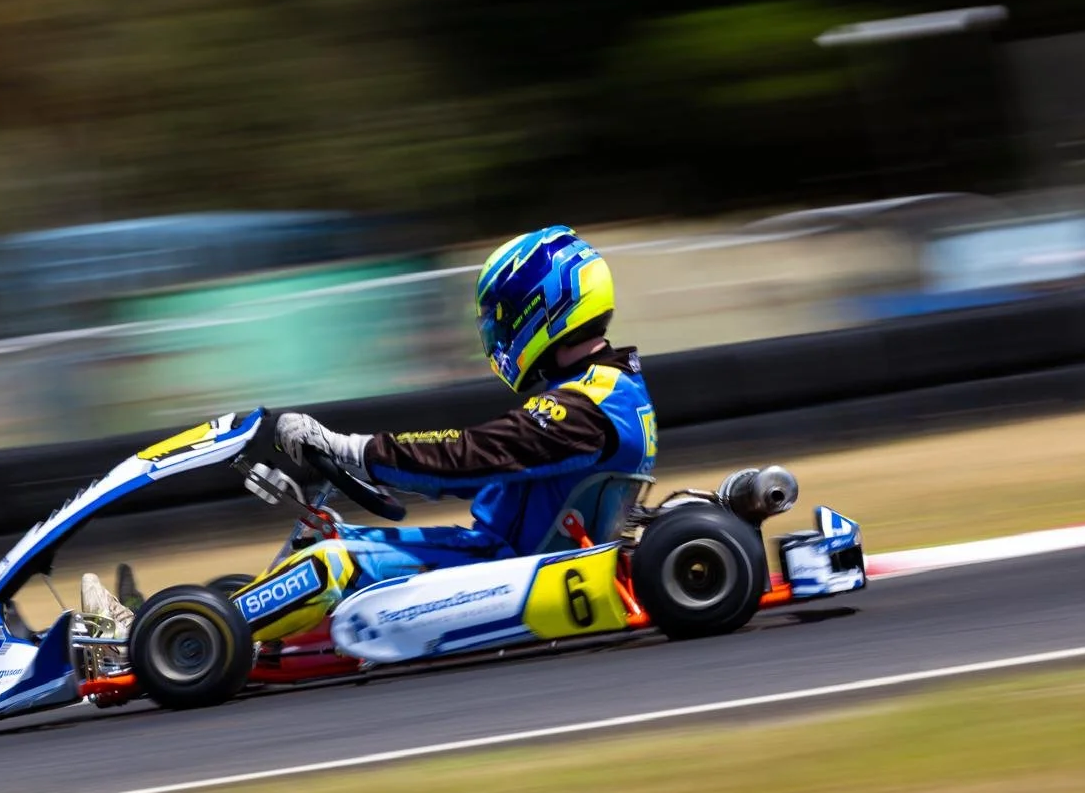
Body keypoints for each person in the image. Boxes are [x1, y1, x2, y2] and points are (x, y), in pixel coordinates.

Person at [80, 224, 658, 642]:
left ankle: (150, 644)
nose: (493, 335)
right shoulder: (605, 392)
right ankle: (189, 621)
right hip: (501, 557)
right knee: (326, 538)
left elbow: (469, 458)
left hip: (505, 571)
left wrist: (349, 450)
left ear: (542, 308)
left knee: (334, 563)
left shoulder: (588, 405)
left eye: (498, 319)